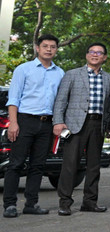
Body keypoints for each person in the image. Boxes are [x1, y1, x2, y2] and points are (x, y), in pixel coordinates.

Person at [3, 34, 64, 218]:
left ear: (56, 50)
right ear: (37, 48)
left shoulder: (60, 73)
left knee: (38, 165)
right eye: (45, 46)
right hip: (25, 121)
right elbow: (13, 98)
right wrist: (13, 123)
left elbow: (60, 101)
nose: (49, 49)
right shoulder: (23, 69)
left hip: (47, 124)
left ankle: (31, 203)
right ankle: (10, 204)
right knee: (16, 163)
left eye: (53, 47)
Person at [52, 42, 110, 215]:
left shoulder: (108, 78)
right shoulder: (72, 74)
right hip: (75, 124)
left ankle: (90, 202)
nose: (95, 55)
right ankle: (65, 202)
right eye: (92, 52)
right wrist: (58, 121)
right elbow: (61, 100)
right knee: (70, 164)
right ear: (87, 55)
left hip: (98, 124)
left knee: (94, 166)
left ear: (104, 57)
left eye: (99, 53)